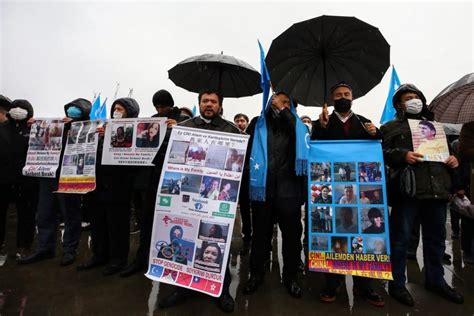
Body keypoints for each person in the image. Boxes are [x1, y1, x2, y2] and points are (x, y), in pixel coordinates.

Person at [156, 89, 241, 313]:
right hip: (186, 197)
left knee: (216, 242)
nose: (209, 104)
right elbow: (168, 157)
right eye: (205, 101)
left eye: (214, 101)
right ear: (199, 103)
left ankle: (221, 289)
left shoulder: (231, 130)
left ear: (220, 106)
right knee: (187, 240)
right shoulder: (184, 127)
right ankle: (182, 287)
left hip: (216, 201)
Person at [381, 83, 463, 306]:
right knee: (400, 241)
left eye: (416, 96)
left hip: (436, 193)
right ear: (399, 104)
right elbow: (382, 154)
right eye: (408, 97)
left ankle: (435, 280)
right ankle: (397, 284)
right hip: (408, 193)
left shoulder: (435, 127)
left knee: (435, 241)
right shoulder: (390, 128)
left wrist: (454, 161)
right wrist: (402, 154)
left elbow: (450, 155)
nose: (414, 100)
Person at [311, 81, 384, 306]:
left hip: (360, 188)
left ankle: (365, 286)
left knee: (364, 235)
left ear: (352, 97)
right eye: (338, 94)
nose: (343, 97)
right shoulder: (320, 122)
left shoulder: (364, 122)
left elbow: (376, 148)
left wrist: (376, 133)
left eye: (347, 93)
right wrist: (320, 128)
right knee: (335, 234)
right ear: (332, 99)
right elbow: (313, 149)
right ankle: (332, 283)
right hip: (330, 188)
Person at [243, 91, 307, 299]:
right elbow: (243, 152)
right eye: (277, 99)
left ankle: (291, 278)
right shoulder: (257, 123)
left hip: (289, 193)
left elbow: (304, 144)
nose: (281, 103)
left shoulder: (297, 124)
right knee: (260, 237)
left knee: (291, 239)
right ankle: (256, 275)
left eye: (287, 101)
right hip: (262, 192)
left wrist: (285, 111)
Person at [121, 89, 188, 278]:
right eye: (157, 107)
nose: (160, 110)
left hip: (172, 179)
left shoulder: (182, 119)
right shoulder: (152, 120)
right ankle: (142, 259)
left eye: (163, 106)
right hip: (149, 178)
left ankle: (172, 259)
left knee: (172, 222)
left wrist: (179, 127)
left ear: (170, 104)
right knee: (147, 220)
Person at [18, 98, 91, 266]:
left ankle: (69, 250)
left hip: (69, 177)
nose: (71, 113)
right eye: (70, 110)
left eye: (76, 111)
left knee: (70, 213)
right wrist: (31, 125)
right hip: (48, 175)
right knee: (44, 213)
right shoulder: (55, 126)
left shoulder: (87, 129)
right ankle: (45, 248)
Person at [77, 98, 140, 276]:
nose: (116, 111)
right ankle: (99, 255)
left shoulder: (134, 130)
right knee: (98, 222)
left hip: (119, 185)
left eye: (121, 109)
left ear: (130, 112)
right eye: (115, 108)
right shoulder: (103, 127)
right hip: (97, 184)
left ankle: (118, 260)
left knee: (117, 225)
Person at [0, 100, 38, 262]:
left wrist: (40, 126)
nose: (18, 111)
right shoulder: (2, 128)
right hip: (2, 180)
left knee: (27, 215)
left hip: (26, 181)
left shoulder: (35, 129)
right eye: (15, 108)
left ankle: (24, 247)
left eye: (22, 109)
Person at [232, 113, 252, 254]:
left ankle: (248, 235)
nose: (240, 123)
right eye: (237, 121)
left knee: (245, 208)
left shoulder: (251, 137)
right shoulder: (231, 136)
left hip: (245, 177)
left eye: (242, 121)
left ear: (247, 122)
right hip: (232, 177)